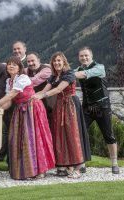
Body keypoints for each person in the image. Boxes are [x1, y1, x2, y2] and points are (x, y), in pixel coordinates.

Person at [0, 56, 55, 180]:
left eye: (14, 64)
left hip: (32, 108)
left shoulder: (23, 78)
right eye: (9, 64)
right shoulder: (9, 81)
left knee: (34, 138)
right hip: (20, 110)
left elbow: (12, 94)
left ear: (19, 67)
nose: (11, 66)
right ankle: (26, 169)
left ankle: (40, 170)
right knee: (20, 140)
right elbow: (9, 101)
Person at [33, 51, 91, 179]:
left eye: (59, 60)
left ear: (64, 62)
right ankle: (63, 165)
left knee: (72, 134)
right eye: (54, 61)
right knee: (60, 135)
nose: (57, 63)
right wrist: (34, 96)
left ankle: (79, 167)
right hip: (59, 106)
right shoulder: (53, 76)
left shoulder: (69, 74)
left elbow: (59, 89)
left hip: (70, 105)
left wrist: (42, 95)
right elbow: (44, 89)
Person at [75, 46, 119, 174]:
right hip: (87, 107)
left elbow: (84, 74)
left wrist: (68, 74)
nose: (84, 58)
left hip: (102, 106)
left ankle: (114, 162)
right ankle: (82, 163)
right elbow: (74, 73)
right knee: (80, 134)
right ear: (79, 57)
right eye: (81, 56)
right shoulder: (78, 69)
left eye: (86, 55)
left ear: (91, 56)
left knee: (108, 134)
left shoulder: (99, 68)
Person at [25, 52, 55, 125]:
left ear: (38, 60)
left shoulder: (46, 70)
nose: (30, 63)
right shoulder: (26, 71)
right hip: (35, 106)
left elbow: (34, 81)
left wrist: (22, 80)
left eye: (33, 61)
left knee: (50, 127)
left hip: (48, 105)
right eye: (28, 61)